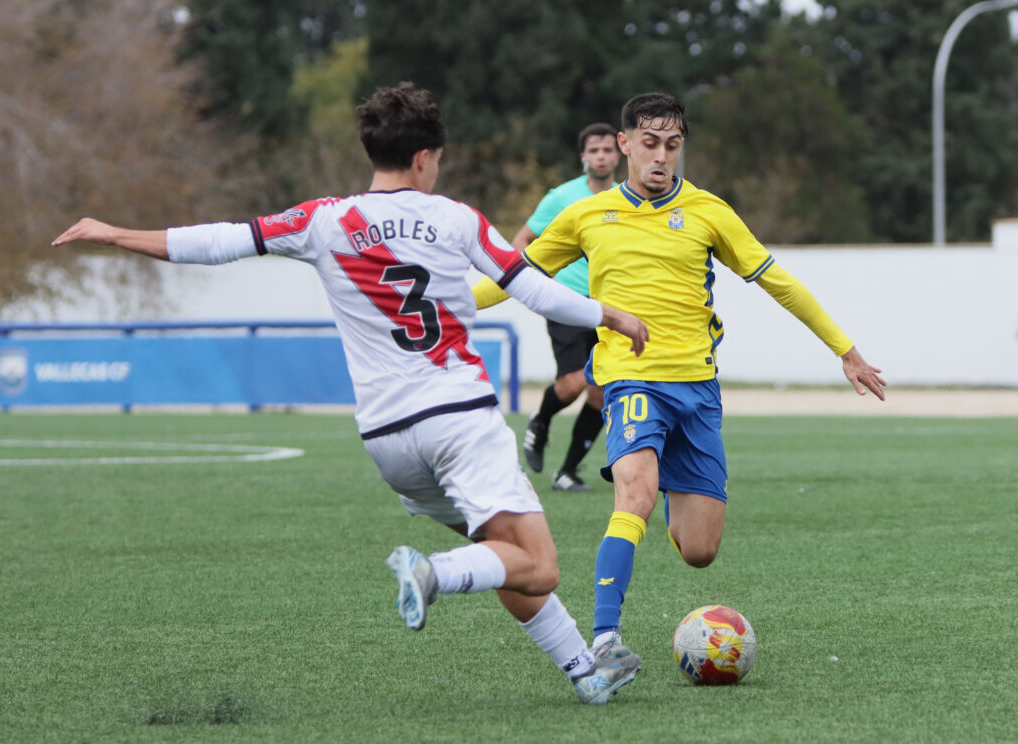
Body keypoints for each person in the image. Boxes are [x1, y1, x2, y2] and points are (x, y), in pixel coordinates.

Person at [51, 82, 649, 704]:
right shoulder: (457, 218)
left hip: (388, 441)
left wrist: (115, 233)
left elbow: (217, 241)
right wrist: (609, 314)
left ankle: (584, 671)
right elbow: (532, 288)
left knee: (499, 551)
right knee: (539, 564)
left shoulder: (324, 220)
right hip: (459, 421)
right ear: (424, 158)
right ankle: (432, 573)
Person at [474, 91, 886, 664]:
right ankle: (604, 641)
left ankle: (667, 478)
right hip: (630, 380)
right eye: (649, 143)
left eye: (672, 145)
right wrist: (440, 309)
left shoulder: (709, 211)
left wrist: (845, 350)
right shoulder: (586, 215)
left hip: (697, 390)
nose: (661, 156)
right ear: (624, 145)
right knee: (634, 496)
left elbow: (779, 282)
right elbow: (514, 277)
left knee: (699, 551)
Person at [506, 123, 621, 492]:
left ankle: (567, 472)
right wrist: (533, 284)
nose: (601, 156)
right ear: (583, 156)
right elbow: (522, 240)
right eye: (594, 150)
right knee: (573, 384)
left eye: (607, 150)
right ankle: (540, 419)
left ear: (619, 154)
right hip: (568, 303)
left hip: (611, 307)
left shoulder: (627, 198)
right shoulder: (561, 198)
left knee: (601, 392)